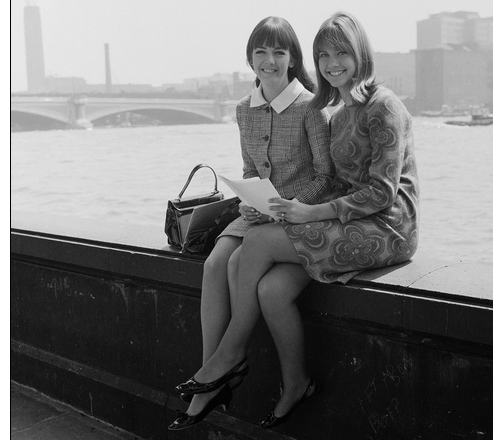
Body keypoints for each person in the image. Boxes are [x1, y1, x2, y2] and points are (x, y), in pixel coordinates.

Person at [175, 11, 419, 430]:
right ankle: (295, 383)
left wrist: (309, 212)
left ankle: (230, 356)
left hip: (388, 227)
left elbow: (382, 193)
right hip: (343, 220)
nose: (332, 63)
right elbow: (331, 180)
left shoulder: (385, 105)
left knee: (256, 246)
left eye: (342, 52)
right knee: (270, 290)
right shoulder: (338, 111)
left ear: (361, 53)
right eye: (324, 54)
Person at [168, 16, 334, 431]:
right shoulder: (245, 109)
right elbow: (248, 167)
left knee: (236, 263)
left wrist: (286, 204)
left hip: (294, 213)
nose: (269, 60)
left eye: (279, 51)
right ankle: (213, 374)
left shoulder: (311, 107)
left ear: (293, 58)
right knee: (212, 265)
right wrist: (248, 199)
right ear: (250, 58)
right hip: (255, 213)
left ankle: (223, 368)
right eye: (261, 51)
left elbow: (326, 177)